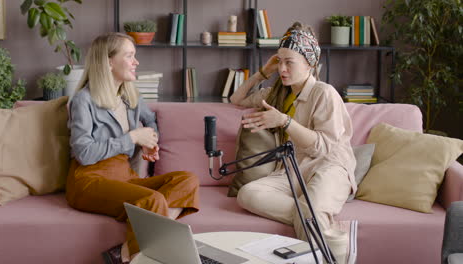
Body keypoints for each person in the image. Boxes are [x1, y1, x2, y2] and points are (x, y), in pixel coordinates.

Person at [66, 32, 200, 264]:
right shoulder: (83, 100)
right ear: (108, 62)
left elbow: (150, 121)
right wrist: (132, 137)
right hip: (89, 179)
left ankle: (125, 251)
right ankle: (142, 257)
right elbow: (84, 153)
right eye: (129, 56)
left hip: (124, 176)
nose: (136, 62)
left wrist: (150, 142)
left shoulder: (131, 97)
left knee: (187, 180)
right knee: (152, 200)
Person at [230, 22, 356, 264]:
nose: (283, 69)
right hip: (292, 169)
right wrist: (264, 72)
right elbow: (237, 98)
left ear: (309, 63)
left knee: (314, 208)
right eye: (280, 61)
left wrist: (284, 121)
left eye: (290, 62)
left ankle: (327, 246)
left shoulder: (324, 93)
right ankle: (324, 226)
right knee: (247, 193)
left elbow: (323, 147)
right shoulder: (277, 93)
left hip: (329, 166)